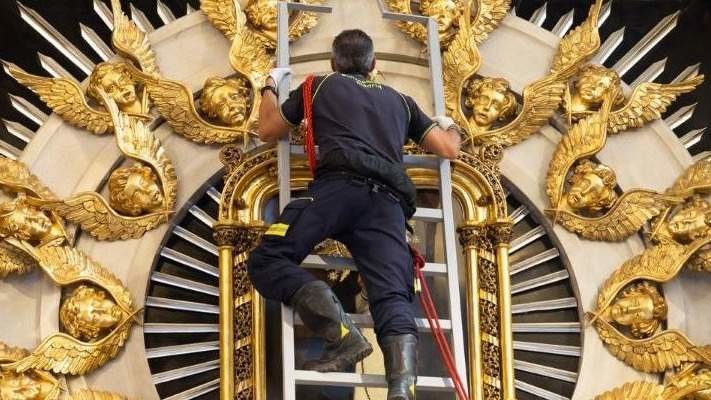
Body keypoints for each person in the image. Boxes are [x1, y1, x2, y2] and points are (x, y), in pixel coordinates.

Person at [247, 29, 461, 400]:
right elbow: (447, 148)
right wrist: (449, 125)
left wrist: (269, 85)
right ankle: (402, 389)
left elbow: (268, 128)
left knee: (268, 260)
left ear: (335, 63)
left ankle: (341, 335)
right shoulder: (401, 101)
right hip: (387, 207)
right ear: (374, 65)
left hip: (336, 191)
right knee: (394, 296)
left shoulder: (319, 84)